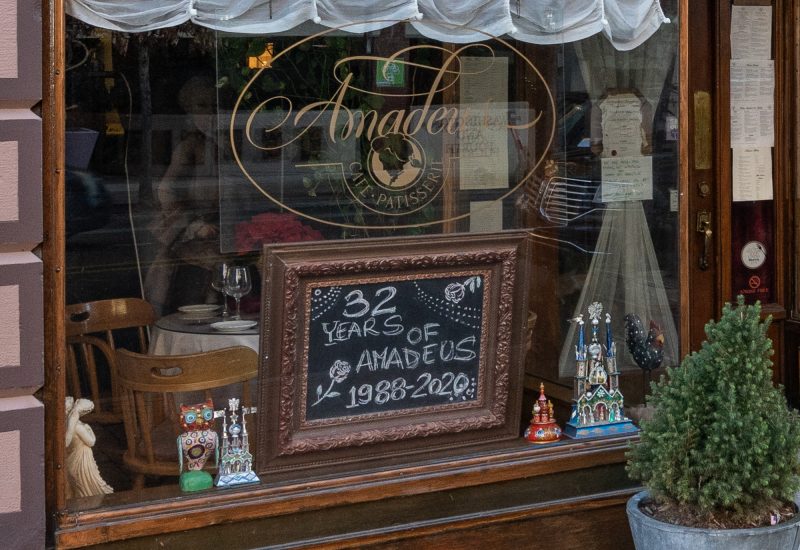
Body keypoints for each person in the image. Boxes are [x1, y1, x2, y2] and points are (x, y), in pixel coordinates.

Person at [145, 75, 226, 314]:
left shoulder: (222, 144)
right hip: (188, 226)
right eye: (202, 106)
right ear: (189, 111)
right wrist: (193, 224)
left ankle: (214, 307)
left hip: (217, 222)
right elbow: (165, 189)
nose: (210, 113)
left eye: (214, 106)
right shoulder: (189, 146)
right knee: (181, 272)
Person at [65, 397, 113, 499]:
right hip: (81, 459)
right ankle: (86, 502)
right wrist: (88, 429)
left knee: (76, 483)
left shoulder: (66, 424)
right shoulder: (78, 427)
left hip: (71, 458)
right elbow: (91, 442)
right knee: (85, 483)